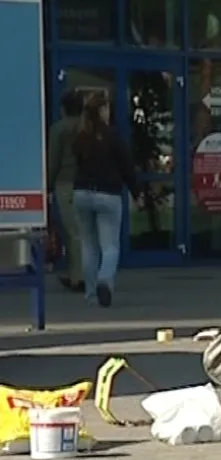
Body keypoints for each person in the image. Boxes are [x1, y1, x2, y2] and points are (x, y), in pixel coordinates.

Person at [71, 91, 138, 308]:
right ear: (102, 110)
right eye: (107, 108)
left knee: (88, 245)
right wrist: (137, 193)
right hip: (108, 194)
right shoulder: (113, 136)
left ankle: (90, 294)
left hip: (82, 193)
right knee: (109, 246)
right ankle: (104, 281)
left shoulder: (80, 137)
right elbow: (127, 167)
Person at [47, 90, 84, 292]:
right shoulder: (87, 127)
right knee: (86, 231)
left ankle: (77, 277)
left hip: (66, 183)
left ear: (63, 108)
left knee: (73, 232)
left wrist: (48, 185)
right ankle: (89, 274)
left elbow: (54, 160)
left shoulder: (59, 129)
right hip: (88, 183)